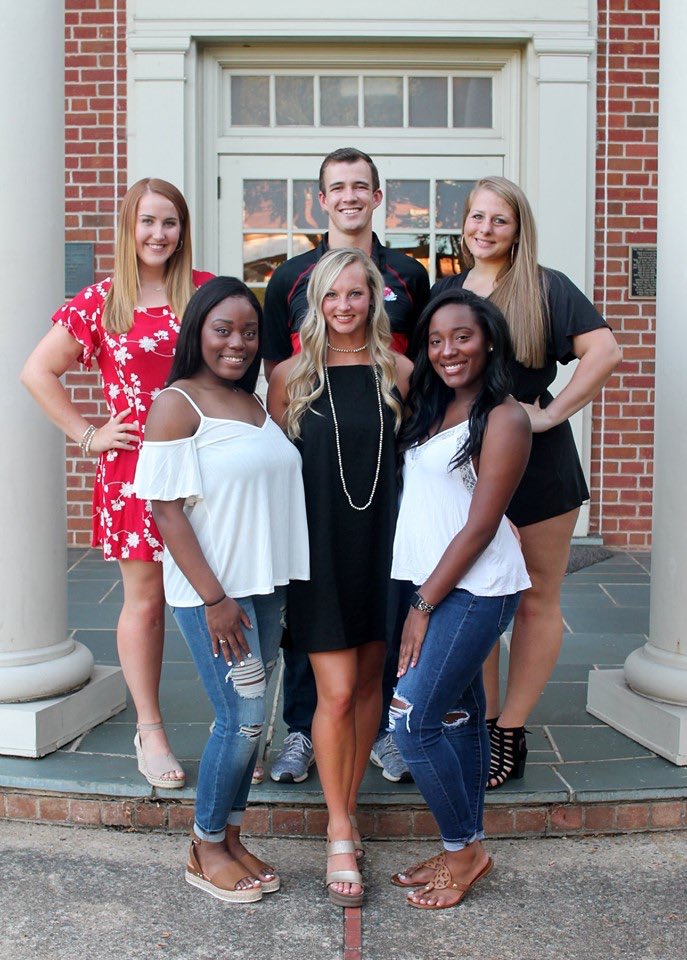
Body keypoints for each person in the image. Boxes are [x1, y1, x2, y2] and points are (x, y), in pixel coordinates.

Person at [21, 178, 213, 789]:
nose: (159, 234)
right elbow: (37, 371)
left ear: (183, 230)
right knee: (147, 600)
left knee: (223, 593)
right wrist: (88, 435)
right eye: (147, 221)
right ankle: (149, 729)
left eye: (170, 222)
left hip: (206, 462)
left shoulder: (206, 292)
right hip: (135, 469)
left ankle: (237, 727)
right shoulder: (102, 301)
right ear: (129, 227)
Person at [432, 176, 621, 788]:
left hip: (540, 468)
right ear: (464, 223)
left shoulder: (546, 287)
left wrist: (552, 413)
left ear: (518, 229)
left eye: (499, 219)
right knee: (479, 595)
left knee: (537, 597)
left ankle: (510, 731)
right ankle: (483, 721)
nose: (484, 229)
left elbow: (605, 351)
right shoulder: (447, 291)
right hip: (468, 466)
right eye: (476, 217)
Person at [133, 277, 309, 903]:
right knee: (239, 720)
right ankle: (204, 845)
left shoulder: (254, 401)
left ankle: (230, 838)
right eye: (223, 330)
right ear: (198, 333)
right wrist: (215, 599)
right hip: (216, 596)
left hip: (262, 590)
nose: (237, 342)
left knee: (252, 725)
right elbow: (166, 510)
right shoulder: (177, 403)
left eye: (249, 332)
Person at [264, 146, 429, 786]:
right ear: (322, 199)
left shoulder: (409, 277)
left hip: (382, 481)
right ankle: (303, 730)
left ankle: (384, 729)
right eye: (338, 186)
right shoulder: (290, 282)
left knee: (376, 642)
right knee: (317, 642)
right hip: (320, 493)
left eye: (361, 185)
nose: (350, 196)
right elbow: (281, 423)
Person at [267, 248, 413, 907]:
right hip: (318, 554)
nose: (344, 305)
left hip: (384, 551)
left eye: (356, 293)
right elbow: (273, 473)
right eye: (332, 295)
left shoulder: (400, 373)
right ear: (316, 303)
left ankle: (348, 811)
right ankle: (335, 830)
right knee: (335, 692)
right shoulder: (290, 376)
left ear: (374, 298)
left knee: (369, 688)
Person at [388, 288, 532, 910]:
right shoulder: (434, 406)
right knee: (464, 718)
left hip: (473, 591)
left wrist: (421, 607)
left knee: (411, 723)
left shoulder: (505, 418)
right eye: (436, 340)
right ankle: (467, 844)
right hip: (436, 581)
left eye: (463, 337)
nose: (448, 350)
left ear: (490, 341)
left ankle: (461, 851)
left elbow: (479, 526)